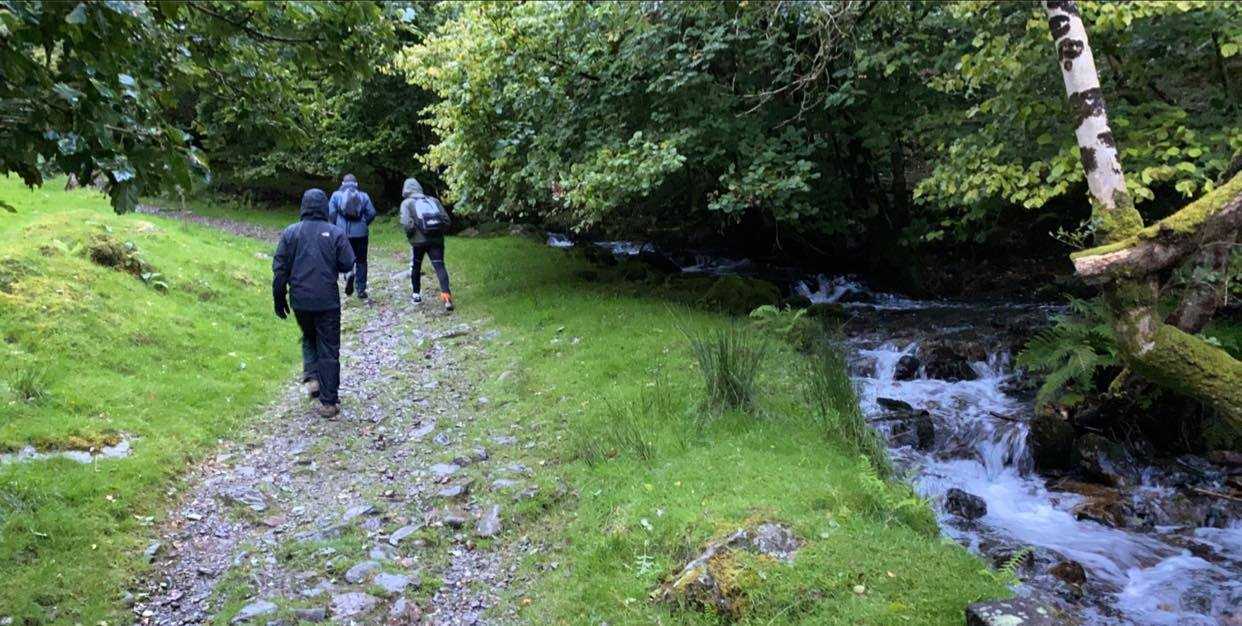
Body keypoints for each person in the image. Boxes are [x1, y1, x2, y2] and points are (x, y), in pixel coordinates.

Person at [272, 188, 356, 419]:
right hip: (327, 300)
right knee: (329, 347)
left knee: (309, 335)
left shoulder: (291, 233)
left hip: (300, 300)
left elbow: (280, 268)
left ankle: (312, 377)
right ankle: (328, 402)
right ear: (325, 207)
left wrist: (278, 296)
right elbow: (348, 263)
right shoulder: (335, 233)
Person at [398, 177, 453, 311]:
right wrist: (438, 232)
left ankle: (416, 295)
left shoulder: (407, 203)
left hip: (418, 242)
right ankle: (446, 297)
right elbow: (446, 220)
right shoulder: (433, 200)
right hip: (437, 240)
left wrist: (411, 235)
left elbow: (406, 223)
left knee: (416, 266)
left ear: (406, 190)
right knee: (439, 266)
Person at [327, 173, 377, 300]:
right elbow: (371, 213)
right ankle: (361, 289)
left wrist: (335, 227)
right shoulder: (363, 196)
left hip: (341, 233)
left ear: (342, 184)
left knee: (343, 257)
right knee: (361, 260)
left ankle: (348, 273)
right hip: (361, 233)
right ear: (356, 184)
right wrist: (364, 223)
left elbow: (331, 213)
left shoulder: (336, 195)